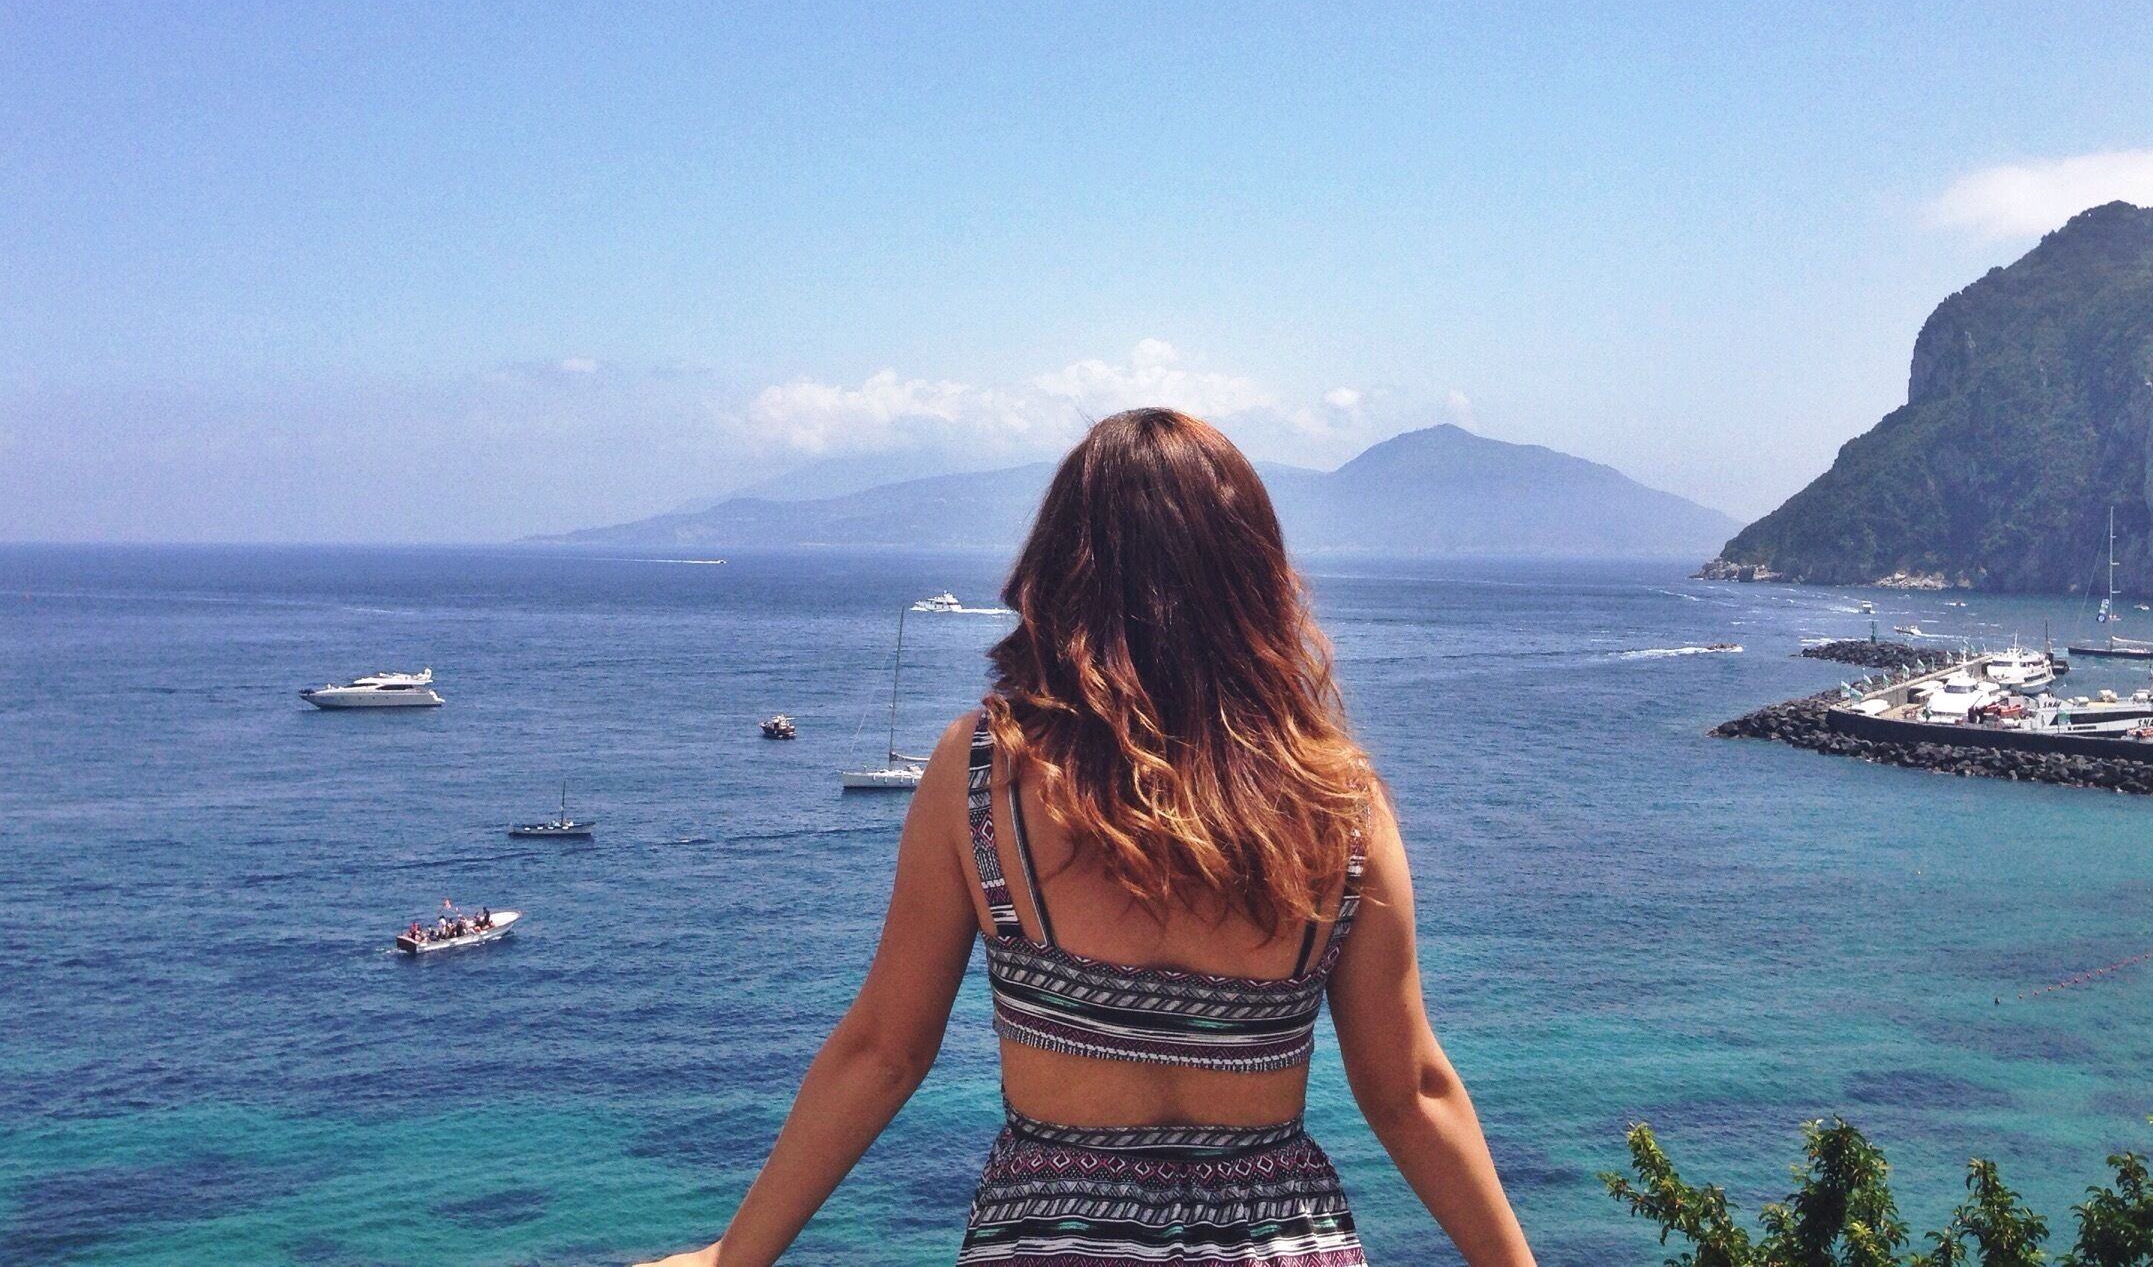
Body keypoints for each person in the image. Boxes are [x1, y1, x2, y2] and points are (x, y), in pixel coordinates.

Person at [637, 409, 1534, 1266]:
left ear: (1060, 570)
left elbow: (885, 1051)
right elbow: (1409, 1092)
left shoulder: (983, 775)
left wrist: (733, 1255)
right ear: (1253, 578)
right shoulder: (1336, 803)